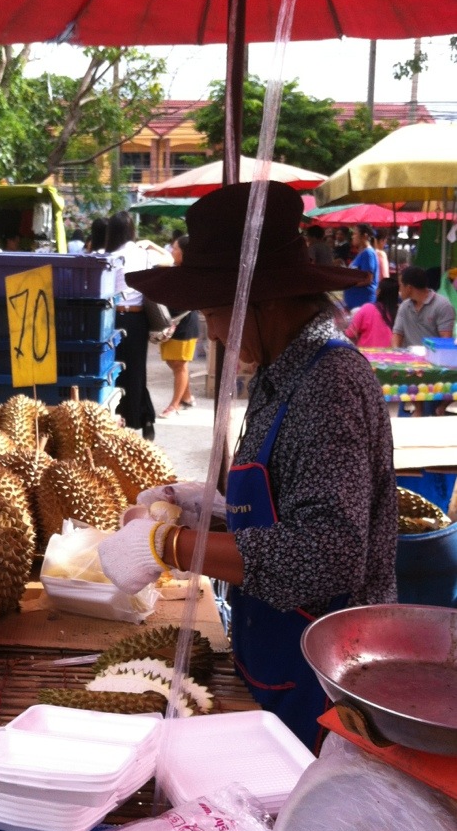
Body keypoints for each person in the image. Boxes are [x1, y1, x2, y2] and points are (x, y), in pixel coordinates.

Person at [98, 182, 398, 753]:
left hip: (329, 688)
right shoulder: (282, 370)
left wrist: (171, 544)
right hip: (276, 659)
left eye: (214, 313)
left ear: (261, 302)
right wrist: (210, 511)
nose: (211, 331)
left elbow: (325, 554)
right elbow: (284, 508)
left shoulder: (329, 384)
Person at [105, 211, 172, 442]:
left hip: (111, 319)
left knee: (115, 372)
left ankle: (128, 421)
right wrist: (152, 244)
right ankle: (144, 419)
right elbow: (170, 260)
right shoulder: (143, 254)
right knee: (136, 372)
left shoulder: (107, 256)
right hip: (136, 320)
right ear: (132, 231)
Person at [157, 234, 200, 417]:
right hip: (170, 323)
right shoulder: (173, 270)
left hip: (185, 323)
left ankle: (174, 405)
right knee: (172, 362)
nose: (171, 251)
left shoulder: (193, 273)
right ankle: (187, 398)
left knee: (179, 365)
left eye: (175, 248)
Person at [392, 264, 456, 347]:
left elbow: (445, 340)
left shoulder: (442, 305)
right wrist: (396, 352)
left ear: (409, 288)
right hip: (408, 357)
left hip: (433, 356)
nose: (399, 290)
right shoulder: (404, 306)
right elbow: (397, 334)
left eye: (400, 285)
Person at [345, 275, 399, 348]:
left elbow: (350, 333)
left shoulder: (367, 308)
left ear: (379, 292)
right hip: (392, 356)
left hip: (366, 355)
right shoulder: (400, 312)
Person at [343, 223, 378, 313]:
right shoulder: (361, 253)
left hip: (362, 303)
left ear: (365, 236)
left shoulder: (368, 253)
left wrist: (348, 284)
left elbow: (368, 279)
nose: (352, 237)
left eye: (355, 234)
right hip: (354, 304)